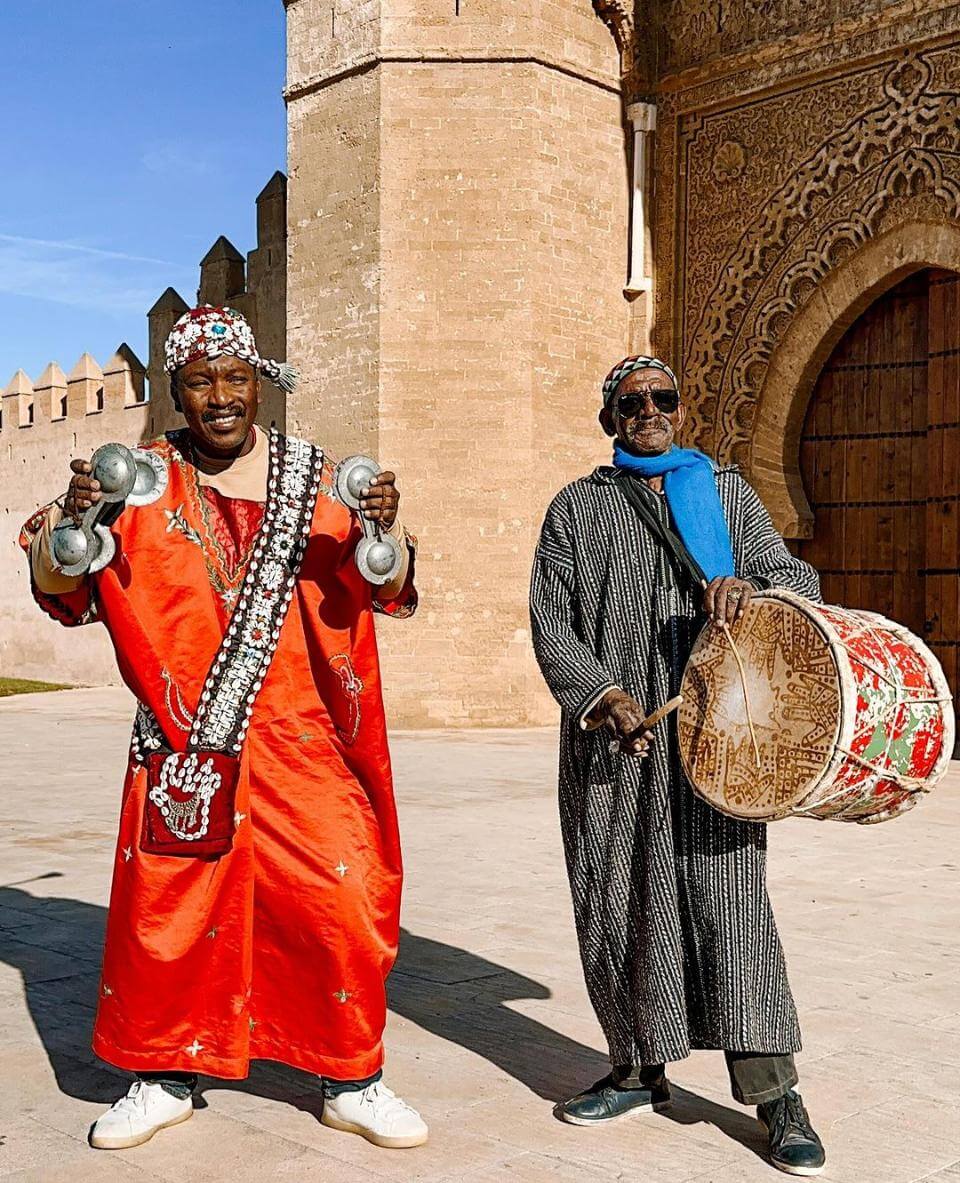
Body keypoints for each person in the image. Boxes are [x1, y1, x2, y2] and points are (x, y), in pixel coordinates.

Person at [20, 305, 428, 1152]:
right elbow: (60, 584)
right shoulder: (137, 477)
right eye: (200, 382)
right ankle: (164, 1072)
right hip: (186, 743)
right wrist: (79, 517)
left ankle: (350, 1074)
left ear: (260, 385)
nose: (219, 398)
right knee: (169, 911)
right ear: (176, 391)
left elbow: (384, 585)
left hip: (306, 739)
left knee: (337, 900)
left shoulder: (314, 478)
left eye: (235, 379)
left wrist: (383, 527)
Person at [529, 355, 826, 1176]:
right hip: (615, 745)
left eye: (661, 399)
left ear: (681, 411)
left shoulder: (727, 494)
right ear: (610, 421)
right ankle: (635, 1068)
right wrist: (603, 694)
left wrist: (752, 584)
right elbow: (552, 624)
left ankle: (776, 1095)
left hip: (718, 741)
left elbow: (798, 579)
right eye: (631, 404)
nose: (647, 412)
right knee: (620, 902)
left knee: (731, 905)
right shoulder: (575, 510)